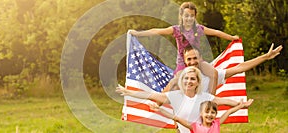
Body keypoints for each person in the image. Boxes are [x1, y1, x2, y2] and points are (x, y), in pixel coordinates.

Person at [129, 2, 239, 91]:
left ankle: (210, 101)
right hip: (182, 63)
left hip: (197, 61)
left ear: (195, 16)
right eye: (186, 15)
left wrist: (231, 37)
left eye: (192, 16)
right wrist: (138, 33)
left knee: (214, 73)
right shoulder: (176, 30)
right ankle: (158, 101)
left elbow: (216, 32)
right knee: (175, 82)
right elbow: (157, 31)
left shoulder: (199, 29)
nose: (189, 18)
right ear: (181, 16)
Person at [116, 66, 254, 133]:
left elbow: (224, 101)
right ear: (182, 80)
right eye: (186, 78)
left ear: (197, 81)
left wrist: (241, 105)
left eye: (192, 78)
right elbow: (150, 95)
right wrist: (128, 92)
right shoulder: (175, 96)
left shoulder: (205, 97)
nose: (189, 81)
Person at [163, 43, 283, 94]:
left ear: (201, 58)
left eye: (195, 58)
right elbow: (162, 95)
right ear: (184, 61)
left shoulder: (211, 75)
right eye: (189, 59)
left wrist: (265, 57)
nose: (192, 62)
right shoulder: (180, 78)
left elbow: (240, 67)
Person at [149, 100, 248, 133]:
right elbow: (176, 118)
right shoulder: (195, 127)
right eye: (207, 112)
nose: (210, 115)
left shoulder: (216, 123)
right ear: (201, 114)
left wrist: (241, 105)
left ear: (216, 114)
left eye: (213, 112)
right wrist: (160, 109)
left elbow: (229, 112)